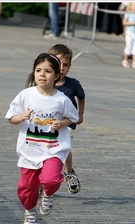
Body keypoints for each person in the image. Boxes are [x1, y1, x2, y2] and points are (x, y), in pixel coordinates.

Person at [5, 53, 79, 224]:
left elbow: (72, 118)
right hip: (29, 150)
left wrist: (61, 123)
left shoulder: (62, 99)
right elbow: (11, 118)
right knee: (27, 187)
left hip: (53, 149)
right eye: (38, 70)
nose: (42, 75)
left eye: (47, 71)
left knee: (51, 179)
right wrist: (21, 117)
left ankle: (47, 194)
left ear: (57, 75)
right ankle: (29, 211)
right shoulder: (25, 95)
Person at [47, 44, 85, 194]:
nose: (62, 68)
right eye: (58, 63)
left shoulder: (73, 84)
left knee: (64, 146)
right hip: (48, 123)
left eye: (66, 65)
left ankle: (69, 172)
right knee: (47, 148)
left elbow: (81, 97)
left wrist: (80, 114)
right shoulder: (46, 82)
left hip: (67, 123)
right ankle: (44, 179)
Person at [122, 2, 135, 69]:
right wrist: (131, 23)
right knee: (129, 45)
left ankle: (134, 62)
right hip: (129, 32)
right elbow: (124, 22)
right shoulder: (128, 13)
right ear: (131, 6)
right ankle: (125, 60)